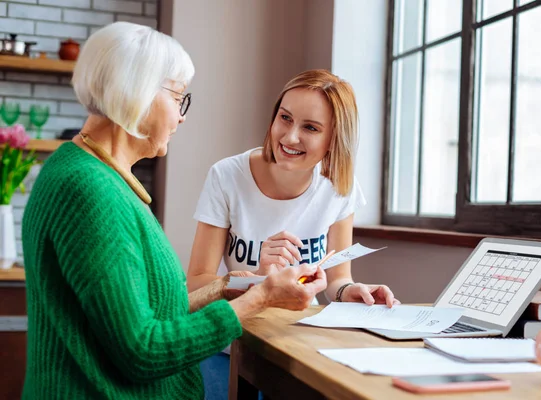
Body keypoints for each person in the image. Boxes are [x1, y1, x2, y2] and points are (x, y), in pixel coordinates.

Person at [21, 22, 327, 400]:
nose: (182, 116)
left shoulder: (87, 171)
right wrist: (259, 300)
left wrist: (229, 286)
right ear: (139, 95)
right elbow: (142, 350)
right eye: (178, 97)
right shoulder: (88, 190)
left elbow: (149, 309)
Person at [187, 69, 399, 400]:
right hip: (230, 343)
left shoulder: (338, 189)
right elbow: (197, 283)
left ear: (334, 139)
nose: (289, 137)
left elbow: (335, 279)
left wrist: (352, 291)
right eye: (284, 119)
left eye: (310, 128)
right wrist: (256, 278)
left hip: (296, 342)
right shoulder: (227, 176)